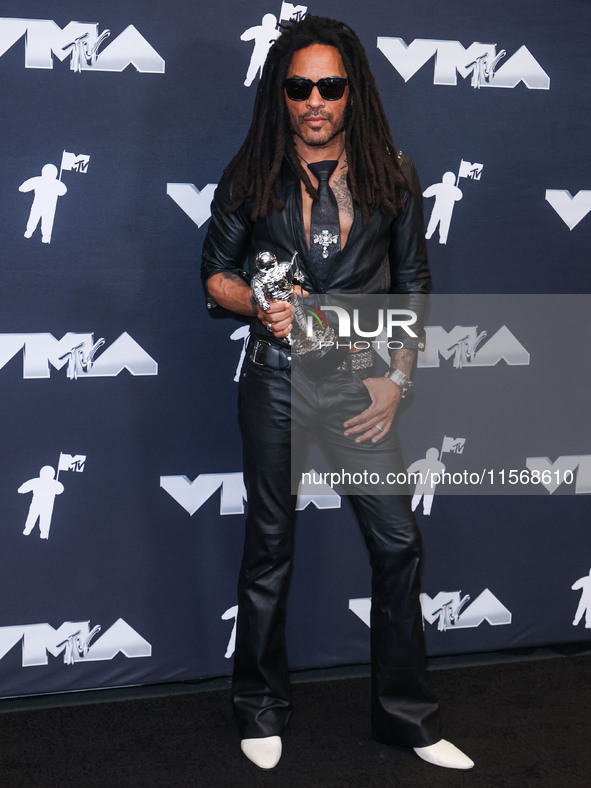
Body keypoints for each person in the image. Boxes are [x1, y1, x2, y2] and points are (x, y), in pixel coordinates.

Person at [201, 15, 473, 772]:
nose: (314, 99)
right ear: (279, 94)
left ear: (351, 90)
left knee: (396, 546)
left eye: (328, 85)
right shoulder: (251, 171)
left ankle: (407, 718)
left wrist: (397, 380)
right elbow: (213, 274)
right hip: (277, 377)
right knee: (268, 547)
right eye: (298, 86)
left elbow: (414, 282)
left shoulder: (393, 172)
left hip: (361, 380)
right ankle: (259, 706)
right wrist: (255, 303)